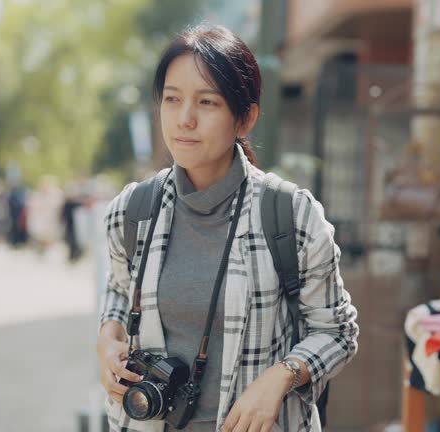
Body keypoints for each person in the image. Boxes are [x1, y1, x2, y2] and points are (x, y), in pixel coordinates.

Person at [96, 26, 359, 432]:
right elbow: (118, 289)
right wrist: (108, 336)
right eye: (172, 99)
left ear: (245, 117)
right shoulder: (131, 211)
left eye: (207, 102)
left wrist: (279, 378)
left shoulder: (290, 215)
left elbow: (338, 332)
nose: (185, 118)